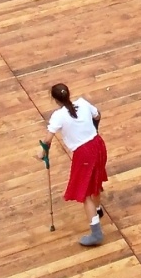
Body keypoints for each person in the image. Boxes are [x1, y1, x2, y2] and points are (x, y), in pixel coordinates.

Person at [41, 82, 108, 247]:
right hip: (98, 145)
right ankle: (98, 210)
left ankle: (96, 233)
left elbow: (47, 140)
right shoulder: (83, 103)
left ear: (55, 100)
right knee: (95, 180)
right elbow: (97, 115)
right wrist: (94, 129)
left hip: (84, 153)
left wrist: (42, 153)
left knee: (85, 193)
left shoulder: (58, 116)